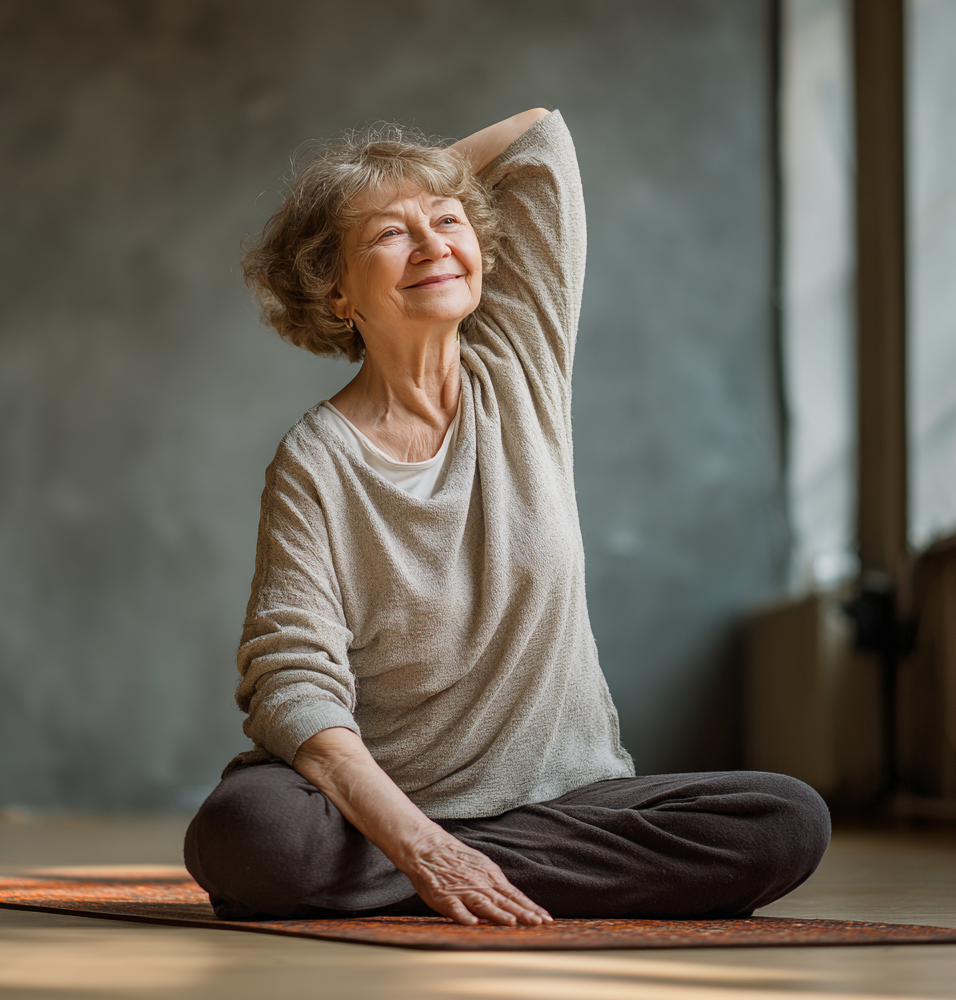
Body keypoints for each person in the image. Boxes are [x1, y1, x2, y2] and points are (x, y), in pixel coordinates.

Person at [184, 109, 830, 926]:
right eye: (390, 237)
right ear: (335, 289)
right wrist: (420, 840)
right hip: (378, 808)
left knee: (786, 820)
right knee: (251, 832)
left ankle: (454, 875)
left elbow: (541, 136)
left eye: (449, 223)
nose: (432, 246)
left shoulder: (522, 362)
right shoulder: (316, 460)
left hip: (563, 804)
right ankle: (440, 866)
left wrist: (401, 198)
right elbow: (291, 682)